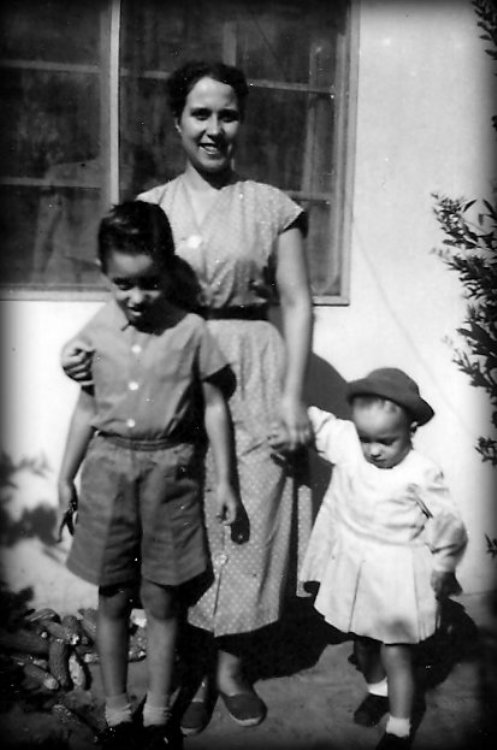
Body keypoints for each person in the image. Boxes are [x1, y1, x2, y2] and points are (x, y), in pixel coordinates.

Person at [61, 59, 313, 732]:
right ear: (176, 122)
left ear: (242, 121)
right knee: (182, 518)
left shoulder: (272, 205)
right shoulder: (154, 206)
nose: (214, 129)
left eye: (227, 115)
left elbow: (295, 300)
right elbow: (126, 297)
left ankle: (230, 666)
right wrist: (83, 356)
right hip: (173, 369)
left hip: (253, 369)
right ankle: (190, 667)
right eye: (200, 114)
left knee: (247, 512)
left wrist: (292, 397)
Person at [57, 200, 240, 750]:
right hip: (108, 474)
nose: (137, 297)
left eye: (150, 283)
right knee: (113, 597)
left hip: (170, 475)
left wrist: (228, 482)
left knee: (162, 600)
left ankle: (159, 715)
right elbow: (86, 409)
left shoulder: (192, 331)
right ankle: (117, 712)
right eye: (123, 284)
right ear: (103, 274)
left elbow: (215, 408)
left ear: (168, 270)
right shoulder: (95, 332)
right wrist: (64, 478)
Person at [284, 368, 468, 750]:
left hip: (398, 573)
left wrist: (443, 565)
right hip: (356, 569)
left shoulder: (421, 471)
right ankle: (378, 690)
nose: (373, 450)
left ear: (411, 429)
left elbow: (447, 522)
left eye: (386, 441)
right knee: (363, 644)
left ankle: (399, 726)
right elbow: (312, 420)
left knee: (396, 651)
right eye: (365, 439)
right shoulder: (347, 444)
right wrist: (284, 399)